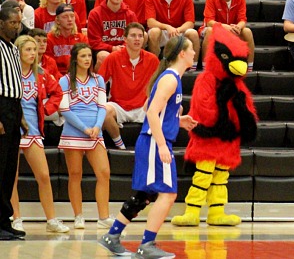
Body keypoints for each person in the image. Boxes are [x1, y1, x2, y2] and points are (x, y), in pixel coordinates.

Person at [99, 35, 198, 258]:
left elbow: (147, 106)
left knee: (146, 193)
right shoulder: (170, 79)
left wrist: (177, 120)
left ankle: (112, 236)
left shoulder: (170, 77)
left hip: (153, 140)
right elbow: (151, 112)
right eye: (191, 49)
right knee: (168, 194)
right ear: (182, 53)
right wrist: (162, 145)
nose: (194, 53)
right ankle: (147, 244)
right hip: (155, 142)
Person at [9, 35, 68, 234]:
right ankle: (16, 218)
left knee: (43, 175)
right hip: (12, 131)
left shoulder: (41, 73)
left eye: (34, 50)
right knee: (11, 178)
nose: (33, 53)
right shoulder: (9, 74)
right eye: (28, 50)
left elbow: (58, 93)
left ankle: (51, 219)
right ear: (18, 52)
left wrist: (47, 109)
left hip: (33, 131)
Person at [57, 43, 113, 229]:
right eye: (83, 56)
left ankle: (103, 217)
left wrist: (97, 126)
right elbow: (64, 109)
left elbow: (102, 106)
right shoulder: (65, 80)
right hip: (74, 133)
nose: (87, 59)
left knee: (104, 173)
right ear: (75, 59)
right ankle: (78, 216)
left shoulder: (98, 80)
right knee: (75, 174)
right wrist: (84, 128)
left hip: (95, 133)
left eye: (89, 55)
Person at [99, 23, 159, 150]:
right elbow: (99, 83)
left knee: (172, 108)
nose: (137, 39)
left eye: (140, 36)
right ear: (125, 39)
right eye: (133, 36)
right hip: (119, 105)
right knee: (104, 111)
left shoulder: (152, 59)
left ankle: (157, 145)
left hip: (143, 106)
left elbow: (160, 85)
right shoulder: (113, 58)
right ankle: (120, 146)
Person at [145, 0, 200, 70]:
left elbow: (190, 22)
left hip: (179, 30)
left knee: (193, 33)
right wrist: (167, 27)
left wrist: (177, 30)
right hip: (162, 31)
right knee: (154, 32)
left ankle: (192, 68)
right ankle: (154, 67)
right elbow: (150, 22)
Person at [0, 5, 24, 240]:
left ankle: (4, 220)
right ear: (0, 23)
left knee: (9, 170)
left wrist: (21, 115)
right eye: (12, 23)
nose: (16, 27)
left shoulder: (14, 49)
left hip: (14, 108)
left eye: (18, 23)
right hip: (2, 108)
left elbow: (15, 85)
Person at [201, 0, 254, 72]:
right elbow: (209, 21)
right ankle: (205, 68)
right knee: (210, 30)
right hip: (214, 29)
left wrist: (238, 26)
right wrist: (225, 27)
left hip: (232, 29)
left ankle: (249, 67)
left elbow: (242, 19)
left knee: (247, 31)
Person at [87, 0, 139, 71]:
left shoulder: (130, 15)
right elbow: (94, 42)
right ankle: (99, 80)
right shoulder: (95, 14)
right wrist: (112, 48)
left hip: (125, 48)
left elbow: (135, 35)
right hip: (103, 50)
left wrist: (123, 47)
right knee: (104, 56)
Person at [45, 4, 89, 76]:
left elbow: (86, 62)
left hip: (77, 75)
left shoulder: (82, 38)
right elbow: (49, 64)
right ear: (57, 20)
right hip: (56, 75)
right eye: (65, 17)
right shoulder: (49, 39)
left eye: (72, 16)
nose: (69, 19)